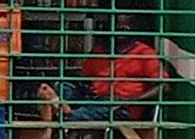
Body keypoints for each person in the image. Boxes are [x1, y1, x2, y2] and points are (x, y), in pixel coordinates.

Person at [37, 15, 165, 122]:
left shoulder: (144, 53)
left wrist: (134, 99)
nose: (121, 29)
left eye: (125, 26)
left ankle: (62, 112)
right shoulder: (100, 51)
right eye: (117, 26)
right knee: (63, 87)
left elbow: (163, 85)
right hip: (94, 98)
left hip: (122, 105)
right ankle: (57, 104)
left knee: (95, 109)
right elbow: (83, 77)